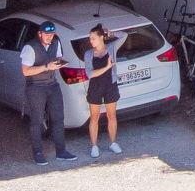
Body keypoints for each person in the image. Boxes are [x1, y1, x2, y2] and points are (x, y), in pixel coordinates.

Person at [20, 21, 78, 165]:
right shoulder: (30, 47)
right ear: (40, 33)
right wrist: (47, 67)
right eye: (46, 34)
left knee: (58, 118)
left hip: (52, 84)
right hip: (36, 87)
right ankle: (38, 153)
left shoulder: (55, 42)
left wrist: (59, 63)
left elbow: (57, 58)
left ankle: (61, 151)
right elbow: (25, 71)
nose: (49, 37)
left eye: (51, 34)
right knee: (37, 120)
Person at [83, 22, 127, 157]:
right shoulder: (89, 54)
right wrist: (107, 67)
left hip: (110, 85)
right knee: (94, 117)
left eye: (93, 38)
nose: (91, 41)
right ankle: (94, 146)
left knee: (111, 116)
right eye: (90, 38)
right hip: (95, 87)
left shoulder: (111, 47)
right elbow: (90, 74)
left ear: (101, 37)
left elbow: (124, 36)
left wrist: (110, 33)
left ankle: (113, 143)